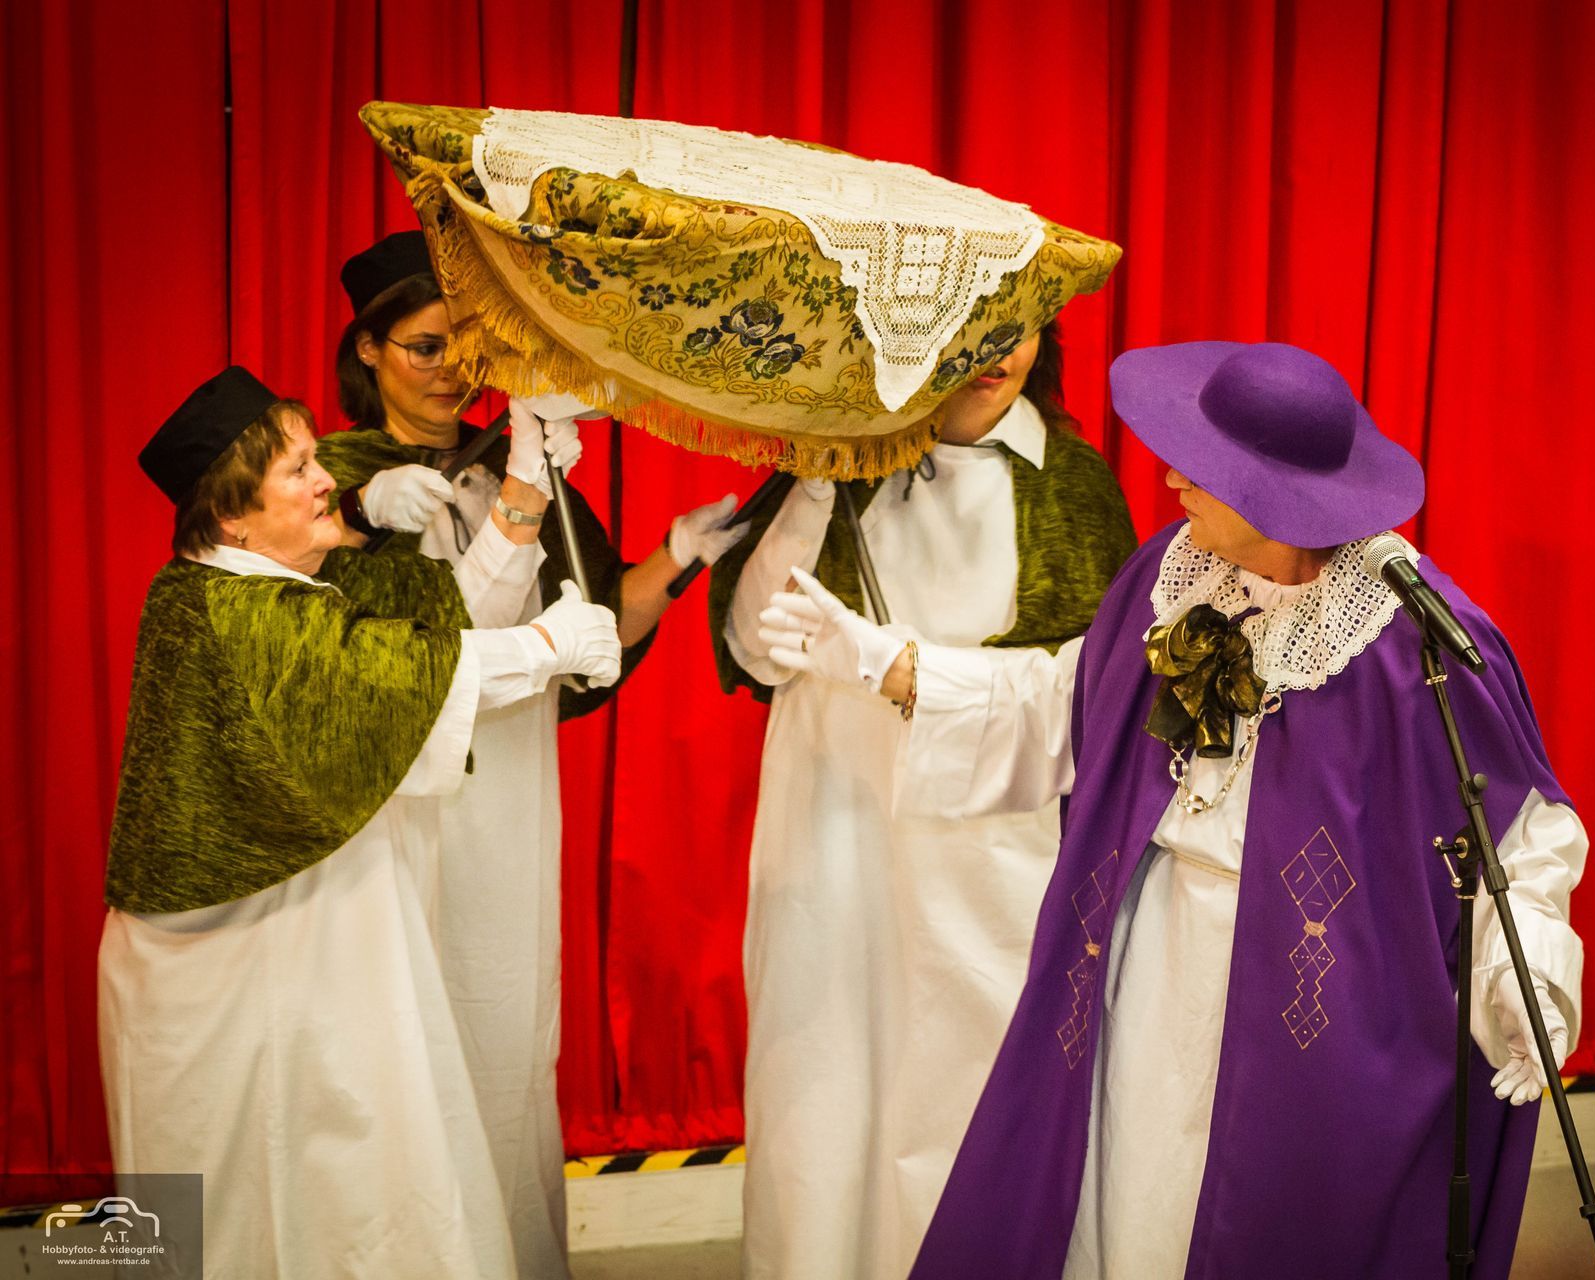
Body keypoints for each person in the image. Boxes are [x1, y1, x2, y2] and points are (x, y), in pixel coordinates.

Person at [762, 342, 1588, 1278]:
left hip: (1310, 1004)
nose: (1169, 479)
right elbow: (1070, 704)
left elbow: (1519, 835)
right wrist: (889, 664)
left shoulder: (1415, 641)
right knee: (1130, 1205)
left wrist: (1529, 975)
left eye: (1202, 468)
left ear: (1277, 498)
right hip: (1144, 965)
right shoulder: (1175, 572)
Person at [100, 366, 622, 1279]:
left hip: (297, 953)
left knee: (339, 1196)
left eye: (318, 461)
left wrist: (526, 478)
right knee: (264, 1211)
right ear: (230, 518)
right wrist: (547, 645)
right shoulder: (226, 606)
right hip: (231, 973)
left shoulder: (270, 584)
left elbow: (440, 623)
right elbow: (395, 679)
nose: (325, 483)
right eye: (299, 471)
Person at [319, 230, 745, 1278]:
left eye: (467, 349)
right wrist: (515, 484)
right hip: (407, 808)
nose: (450, 372)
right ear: (367, 348)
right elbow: (437, 661)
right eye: (424, 348)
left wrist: (678, 555)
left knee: (509, 1033)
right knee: (412, 1039)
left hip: (512, 803)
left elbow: (593, 626)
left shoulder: (510, 464)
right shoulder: (338, 488)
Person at [709, 322, 1138, 1279]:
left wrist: (912, 673)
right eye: (974, 326)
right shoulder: (833, 468)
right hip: (833, 810)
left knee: (970, 1065)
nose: (999, 352)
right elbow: (754, 646)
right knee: (824, 1068)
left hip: (987, 825)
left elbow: (1093, 691)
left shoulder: (1071, 480)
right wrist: (817, 480)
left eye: (1020, 327)